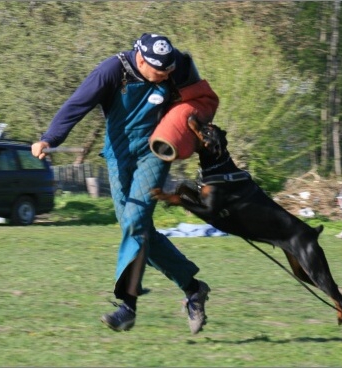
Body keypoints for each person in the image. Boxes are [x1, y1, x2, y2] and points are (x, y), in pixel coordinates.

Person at [31, 33, 211, 334]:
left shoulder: (177, 65)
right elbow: (77, 105)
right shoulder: (111, 71)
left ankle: (127, 307)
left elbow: (200, 100)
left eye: (169, 70)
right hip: (118, 156)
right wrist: (50, 138)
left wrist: (188, 130)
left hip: (155, 152)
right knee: (137, 229)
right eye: (160, 72)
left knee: (136, 222)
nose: (167, 76)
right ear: (141, 60)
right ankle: (193, 289)